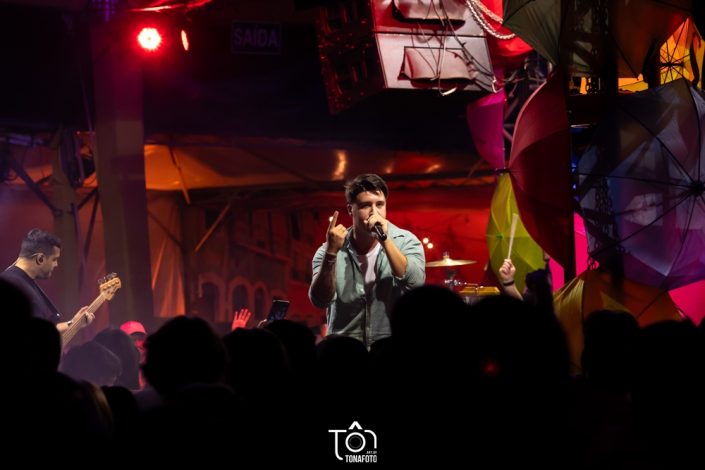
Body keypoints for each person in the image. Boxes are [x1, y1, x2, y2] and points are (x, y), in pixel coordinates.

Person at [309, 173, 425, 348]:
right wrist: (331, 254)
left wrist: (385, 240)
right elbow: (320, 300)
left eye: (380, 204)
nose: (374, 212)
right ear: (350, 210)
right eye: (365, 205)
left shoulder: (406, 241)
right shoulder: (329, 249)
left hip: (390, 348)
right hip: (344, 349)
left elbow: (415, 283)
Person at [0, 228, 93, 334]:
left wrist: (73, 323)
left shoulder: (22, 281)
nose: (56, 264)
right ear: (40, 259)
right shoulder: (11, 283)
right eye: (54, 259)